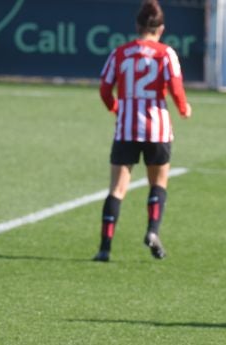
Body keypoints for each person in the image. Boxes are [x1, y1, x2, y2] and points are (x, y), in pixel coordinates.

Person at [94, 0, 192, 262]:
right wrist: (183, 109)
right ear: (161, 28)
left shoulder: (120, 52)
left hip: (126, 128)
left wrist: (116, 107)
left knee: (117, 189)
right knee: (158, 184)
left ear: (137, 26)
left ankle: (105, 247)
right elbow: (175, 87)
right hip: (157, 129)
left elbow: (104, 89)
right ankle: (152, 232)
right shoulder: (165, 53)